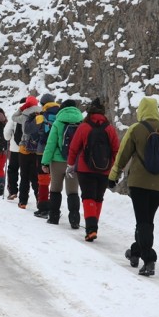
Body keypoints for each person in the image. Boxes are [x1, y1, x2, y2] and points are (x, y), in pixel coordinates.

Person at [109, 96, 159, 276]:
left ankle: (149, 258)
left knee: (143, 221)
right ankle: (135, 252)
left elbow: (123, 155)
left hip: (139, 183)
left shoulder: (136, 129)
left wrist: (113, 176)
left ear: (141, 110)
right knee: (146, 220)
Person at [67, 98, 120, 242]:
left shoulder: (84, 126)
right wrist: (111, 165)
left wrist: (71, 163)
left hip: (85, 168)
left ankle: (91, 228)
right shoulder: (109, 128)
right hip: (104, 169)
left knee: (88, 196)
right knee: (98, 198)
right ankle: (93, 225)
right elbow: (116, 149)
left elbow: (74, 146)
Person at [41, 98, 83, 227]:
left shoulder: (58, 122)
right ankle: (75, 219)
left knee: (55, 188)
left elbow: (51, 144)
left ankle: (54, 217)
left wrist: (45, 162)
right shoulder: (81, 122)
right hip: (73, 162)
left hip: (57, 161)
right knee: (73, 191)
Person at [33, 94, 59, 218]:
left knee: (43, 179)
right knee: (55, 180)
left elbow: (34, 132)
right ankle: (54, 208)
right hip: (57, 152)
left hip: (42, 151)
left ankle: (43, 206)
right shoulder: (60, 114)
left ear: (43, 104)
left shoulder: (42, 116)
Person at [13, 96, 42, 210]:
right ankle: (40, 199)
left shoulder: (24, 114)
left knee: (24, 176)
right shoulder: (42, 113)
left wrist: (21, 108)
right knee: (36, 176)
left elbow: (13, 117)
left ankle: (23, 201)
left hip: (24, 148)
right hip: (38, 149)